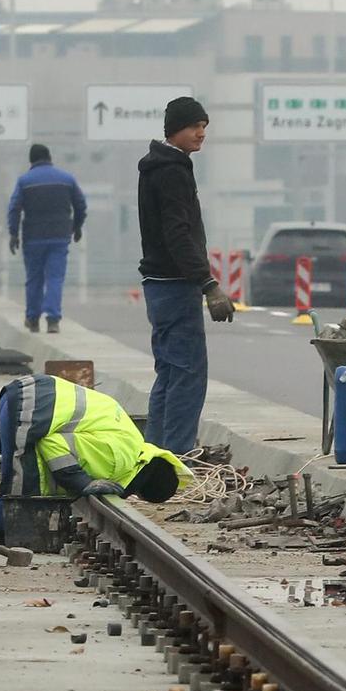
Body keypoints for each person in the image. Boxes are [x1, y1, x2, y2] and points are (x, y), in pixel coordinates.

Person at [0, 374, 185, 546]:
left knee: (26, 503)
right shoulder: (119, 461)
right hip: (32, 413)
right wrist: (81, 481)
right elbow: (53, 442)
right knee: (27, 508)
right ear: (139, 488)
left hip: (29, 402)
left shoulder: (132, 444)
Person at [136, 96, 234, 456]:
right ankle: (174, 457)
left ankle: (154, 454)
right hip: (175, 286)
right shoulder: (172, 171)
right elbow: (177, 234)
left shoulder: (158, 166)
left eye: (205, 127)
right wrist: (208, 284)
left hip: (158, 286)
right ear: (175, 128)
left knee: (171, 372)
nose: (201, 133)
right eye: (195, 126)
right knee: (189, 375)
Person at [7, 144, 87, 334]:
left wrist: (13, 233)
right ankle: (53, 320)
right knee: (55, 278)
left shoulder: (24, 181)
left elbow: (14, 208)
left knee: (34, 278)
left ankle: (33, 319)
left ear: (31, 160)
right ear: (50, 157)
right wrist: (76, 226)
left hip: (33, 238)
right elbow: (81, 204)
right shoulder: (66, 179)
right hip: (59, 237)